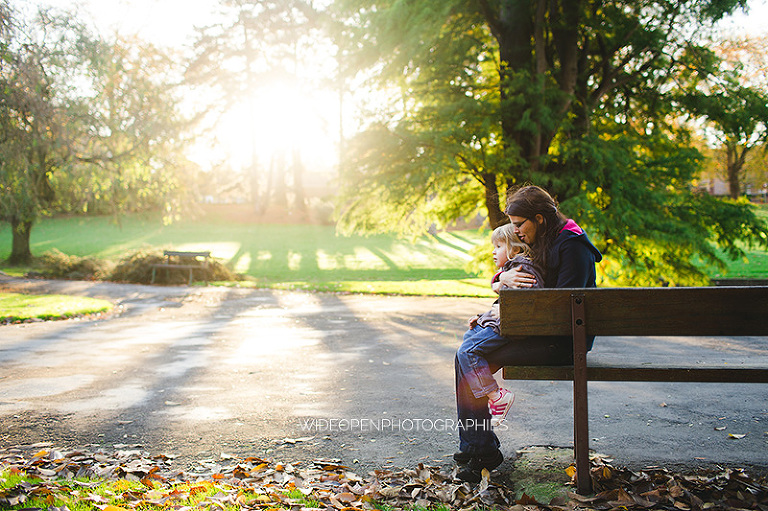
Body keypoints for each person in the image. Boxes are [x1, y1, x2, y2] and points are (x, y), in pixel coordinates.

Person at [454, 185, 602, 483]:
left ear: (540, 218)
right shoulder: (551, 239)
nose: (516, 231)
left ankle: (480, 450)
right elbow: (525, 277)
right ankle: (479, 449)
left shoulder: (572, 246)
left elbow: (558, 309)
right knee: (466, 358)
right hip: (540, 332)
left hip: (560, 341)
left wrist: (501, 318)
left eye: (520, 224)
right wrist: (500, 282)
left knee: (468, 356)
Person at [459, 223, 543, 437]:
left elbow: (532, 298)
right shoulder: (512, 269)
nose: (493, 251)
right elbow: (503, 297)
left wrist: (504, 310)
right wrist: (483, 317)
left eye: (498, 246)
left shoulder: (522, 268)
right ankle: (490, 403)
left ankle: (496, 395)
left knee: (466, 352)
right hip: (500, 323)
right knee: (468, 341)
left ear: (514, 248)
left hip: (507, 328)